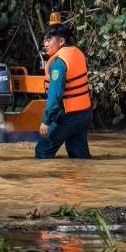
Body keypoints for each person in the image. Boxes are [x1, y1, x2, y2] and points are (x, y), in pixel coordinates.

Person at [35, 12, 92, 159]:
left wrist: (47, 122)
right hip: (84, 114)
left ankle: (47, 182)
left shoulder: (59, 63)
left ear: (61, 41)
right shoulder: (77, 53)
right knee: (80, 158)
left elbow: (55, 96)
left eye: (49, 40)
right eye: (44, 40)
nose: (45, 44)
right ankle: (79, 181)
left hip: (68, 116)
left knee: (42, 151)